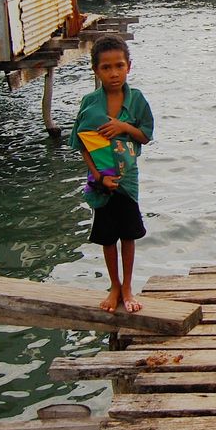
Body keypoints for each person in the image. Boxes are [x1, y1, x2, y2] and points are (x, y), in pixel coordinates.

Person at [70, 35, 155, 314]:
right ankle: (114, 286)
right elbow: (81, 144)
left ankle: (128, 286)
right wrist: (98, 177)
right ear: (96, 70)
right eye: (106, 67)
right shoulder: (90, 103)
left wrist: (123, 127)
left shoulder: (137, 100)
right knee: (107, 236)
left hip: (127, 179)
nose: (114, 73)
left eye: (119, 66)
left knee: (128, 235)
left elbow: (145, 136)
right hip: (101, 179)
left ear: (129, 66)